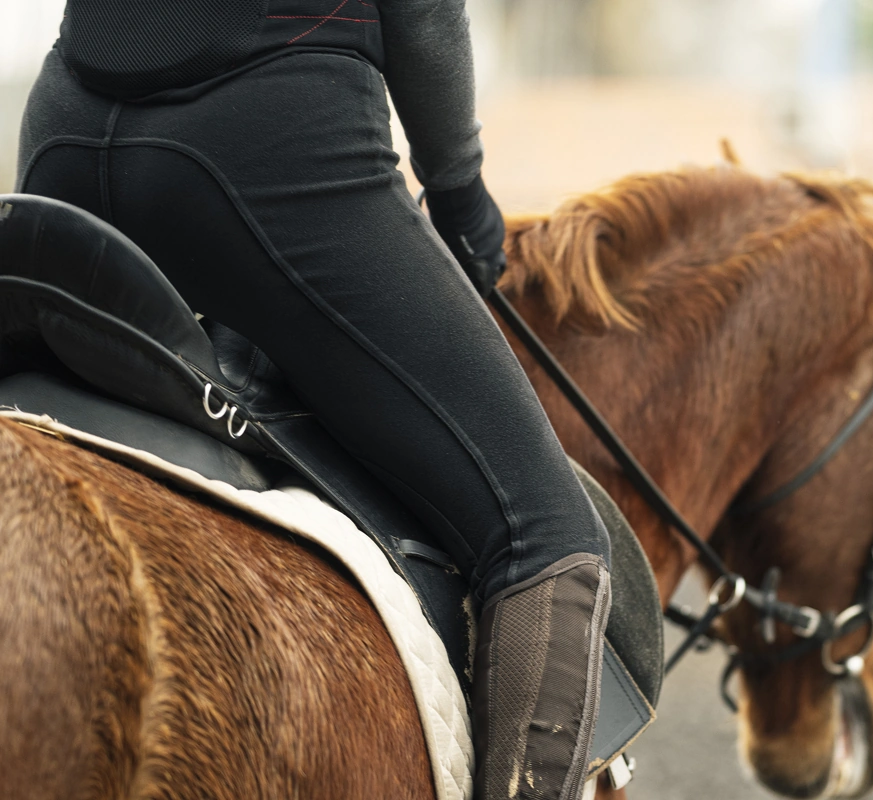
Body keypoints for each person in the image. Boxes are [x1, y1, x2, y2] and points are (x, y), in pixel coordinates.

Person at [16, 3, 611, 800]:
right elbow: (427, 16)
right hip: (270, 148)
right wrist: (460, 192)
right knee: (546, 535)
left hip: (65, 140)